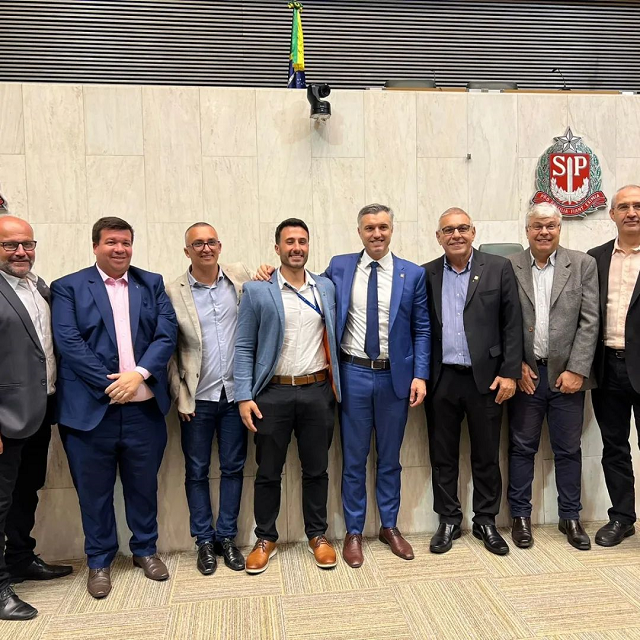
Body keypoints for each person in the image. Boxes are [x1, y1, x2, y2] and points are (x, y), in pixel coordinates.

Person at [257, 204, 430, 568]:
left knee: (390, 458)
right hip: (352, 376)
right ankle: (353, 532)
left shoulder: (412, 274)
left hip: (395, 378)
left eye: (383, 227)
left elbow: (422, 327)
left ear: (391, 230)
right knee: (353, 459)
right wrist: (268, 273)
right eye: (369, 228)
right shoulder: (340, 267)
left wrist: (420, 374)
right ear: (359, 232)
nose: (376, 234)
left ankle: (389, 526)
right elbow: (301, 283)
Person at [51, 217, 177, 598]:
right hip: (89, 414)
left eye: (125, 242)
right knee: (94, 493)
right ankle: (99, 561)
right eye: (111, 242)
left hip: (143, 412)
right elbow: (69, 342)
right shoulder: (68, 287)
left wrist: (137, 375)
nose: (119, 249)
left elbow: (166, 334)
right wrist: (113, 385)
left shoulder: (150, 283)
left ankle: (145, 550)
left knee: (143, 486)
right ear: (95, 246)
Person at [235, 218, 341, 574]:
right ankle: (265, 538)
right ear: (277, 247)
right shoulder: (257, 290)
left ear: (309, 246)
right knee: (268, 471)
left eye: (302, 241)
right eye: (289, 241)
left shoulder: (325, 287)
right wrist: (243, 395)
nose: (297, 247)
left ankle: (318, 535)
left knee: (317, 470)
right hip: (272, 394)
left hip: (317, 391)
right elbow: (244, 345)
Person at [424, 207, 522, 556]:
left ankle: (485, 520)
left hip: (487, 379)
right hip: (442, 379)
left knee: (486, 455)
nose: (456, 235)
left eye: (462, 228)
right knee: (442, 456)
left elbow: (512, 323)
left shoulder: (498, 268)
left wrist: (510, 372)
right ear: (438, 237)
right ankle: (449, 520)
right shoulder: (427, 273)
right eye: (448, 230)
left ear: (473, 232)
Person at [508, 202, 598, 550]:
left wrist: (577, 369)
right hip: (527, 376)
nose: (544, 232)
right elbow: (503, 320)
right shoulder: (510, 266)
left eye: (550, 226)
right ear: (527, 231)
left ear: (560, 229)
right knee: (521, 448)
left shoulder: (582, 264)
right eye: (537, 226)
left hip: (567, 378)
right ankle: (520, 516)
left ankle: (570, 516)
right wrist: (515, 364)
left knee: (568, 450)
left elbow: (590, 321)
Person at [166, 222, 253, 575]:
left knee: (233, 468)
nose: (206, 248)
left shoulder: (240, 277)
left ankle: (227, 538)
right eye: (198, 243)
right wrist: (179, 394)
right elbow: (169, 350)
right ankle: (204, 540)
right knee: (197, 470)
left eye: (211, 242)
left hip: (235, 396)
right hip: (197, 400)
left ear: (220, 246)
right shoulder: (172, 291)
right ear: (187, 251)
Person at [0, 215, 72, 621]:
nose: (21, 252)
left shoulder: (39, 287)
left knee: (26, 491)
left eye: (27, 244)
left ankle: (20, 558)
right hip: (4, 417)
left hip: (40, 411)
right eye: (10, 245)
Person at [589, 184, 640, 547]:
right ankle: (622, 517)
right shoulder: (595, 258)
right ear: (612, 214)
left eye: (638, 206)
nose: (631, 212)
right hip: (607, 367)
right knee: (615, 447)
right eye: (624, 207)